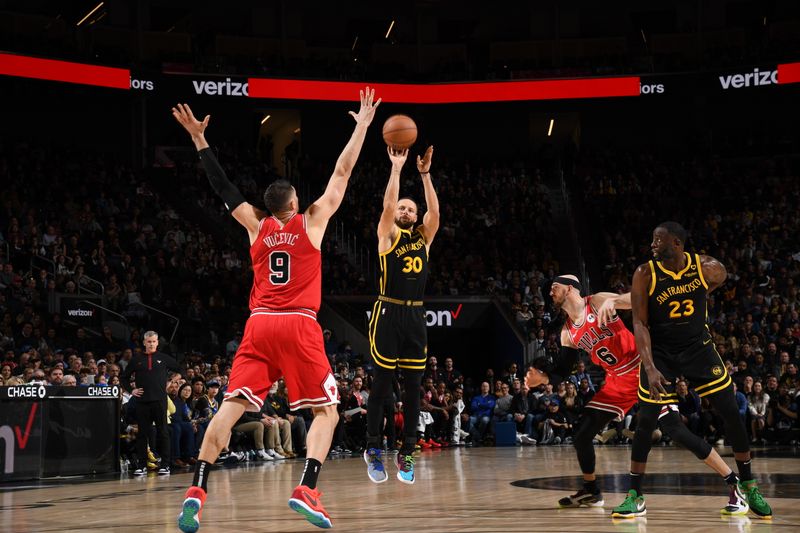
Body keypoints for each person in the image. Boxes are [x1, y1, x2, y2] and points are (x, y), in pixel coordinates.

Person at [172, 86, 381, 531]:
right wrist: (362, 125)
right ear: (294, 203)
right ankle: (307, 488)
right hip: (298, 324)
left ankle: (196, 489)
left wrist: (198, 139)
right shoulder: (313, 221)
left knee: (229, 409)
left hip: (258, 325)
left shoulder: (254, 224)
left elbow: (222, 186)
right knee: (327, 411)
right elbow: (342, 172)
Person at [611, 222, 772, 519]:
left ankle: (748, 484)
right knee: (646, 421)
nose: (652, 246)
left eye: (658, 241)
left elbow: (720, 279)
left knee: (731, 412)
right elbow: (640, 323)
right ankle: (635, 495)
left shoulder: (706, 267)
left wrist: (702, 294)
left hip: (698, 348)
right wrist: (650, 366)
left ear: (676, 243)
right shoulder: (645, 273)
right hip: (661, 354)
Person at [525, 275, 641, 508]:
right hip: (617, 380)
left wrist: (616, 301)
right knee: (581, 434)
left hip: (641, 368)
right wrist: (544, 378)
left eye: (553, 287)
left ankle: (733, 481)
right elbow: (562, 372)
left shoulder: (597, 301)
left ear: (569, 287)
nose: (549, 293)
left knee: (674, 428)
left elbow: (637, 300)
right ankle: (591, 491)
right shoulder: (567, 333)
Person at [363, 144, 439, 485]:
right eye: (403, 208)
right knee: (380, 385)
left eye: (411, 208)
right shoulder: (387, 234)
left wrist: (424, 175)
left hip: (415, 316)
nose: (406, 211)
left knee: (412, 389)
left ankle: (407, 451)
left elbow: (435, 213)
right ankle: (373, 448)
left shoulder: (423, 238)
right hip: (387, 310)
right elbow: (388, 205)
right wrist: (396, 168)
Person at [119, 330, 182, 476]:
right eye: (149, 341)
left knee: (163, 432)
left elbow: (180, 369)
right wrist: (131, 390)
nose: (151, 344)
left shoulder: (163, 358)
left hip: (160, 401)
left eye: (154, 341)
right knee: (143, 434)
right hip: (142, 401)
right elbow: (124, 378)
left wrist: (171, 381)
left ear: (157, 342)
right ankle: (142, 465)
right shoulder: (136, 359)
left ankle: (165, 465)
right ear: (144, 343)